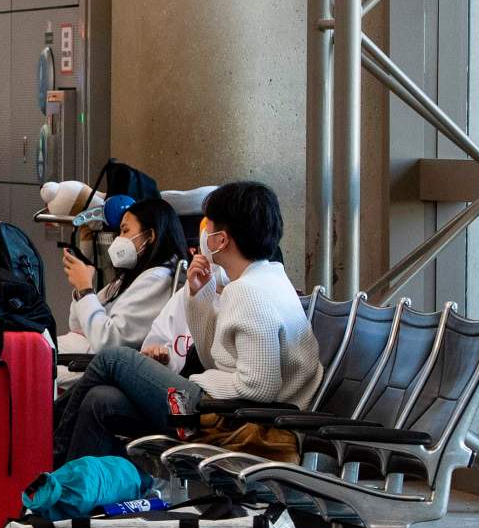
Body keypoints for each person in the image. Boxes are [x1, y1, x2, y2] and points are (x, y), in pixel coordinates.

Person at [60, 181, 322, 460]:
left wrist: (201, 382)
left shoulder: (249, 293)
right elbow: (216, 359)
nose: (202, 236)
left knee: (113, 360)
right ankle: (73, 488)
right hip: (230, 412)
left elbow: (259, 386)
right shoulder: (268, 278)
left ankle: (51, 449)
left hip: (232, 421)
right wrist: (200, 296)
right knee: (99, 400)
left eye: (207, 227)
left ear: (221, 240)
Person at [58, 194, 188, 358]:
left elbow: (108, 343)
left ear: (150, 236)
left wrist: (86, 290)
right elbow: (77, 326)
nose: (119, 239)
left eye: (125, 230)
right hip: (75, 350)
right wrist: (81, 290)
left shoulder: (157, 278)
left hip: (87, 362)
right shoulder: (129, 276)